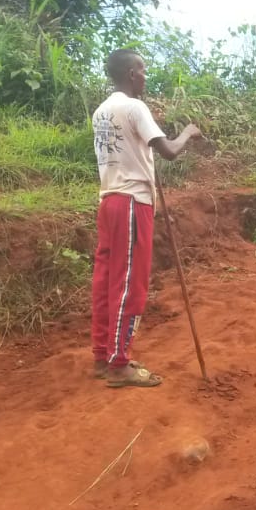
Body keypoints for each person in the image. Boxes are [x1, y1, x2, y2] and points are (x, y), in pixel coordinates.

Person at [91, 49, 201, 388]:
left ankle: (103, 355)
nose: (145, 76)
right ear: (130, 74)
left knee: (106, 281)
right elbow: (168, 151)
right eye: (142, 70)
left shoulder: (101, 111)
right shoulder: (134, 107)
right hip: (132, 204)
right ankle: (119, 365)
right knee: (129, 284)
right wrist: (188, 132)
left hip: (109, 200)